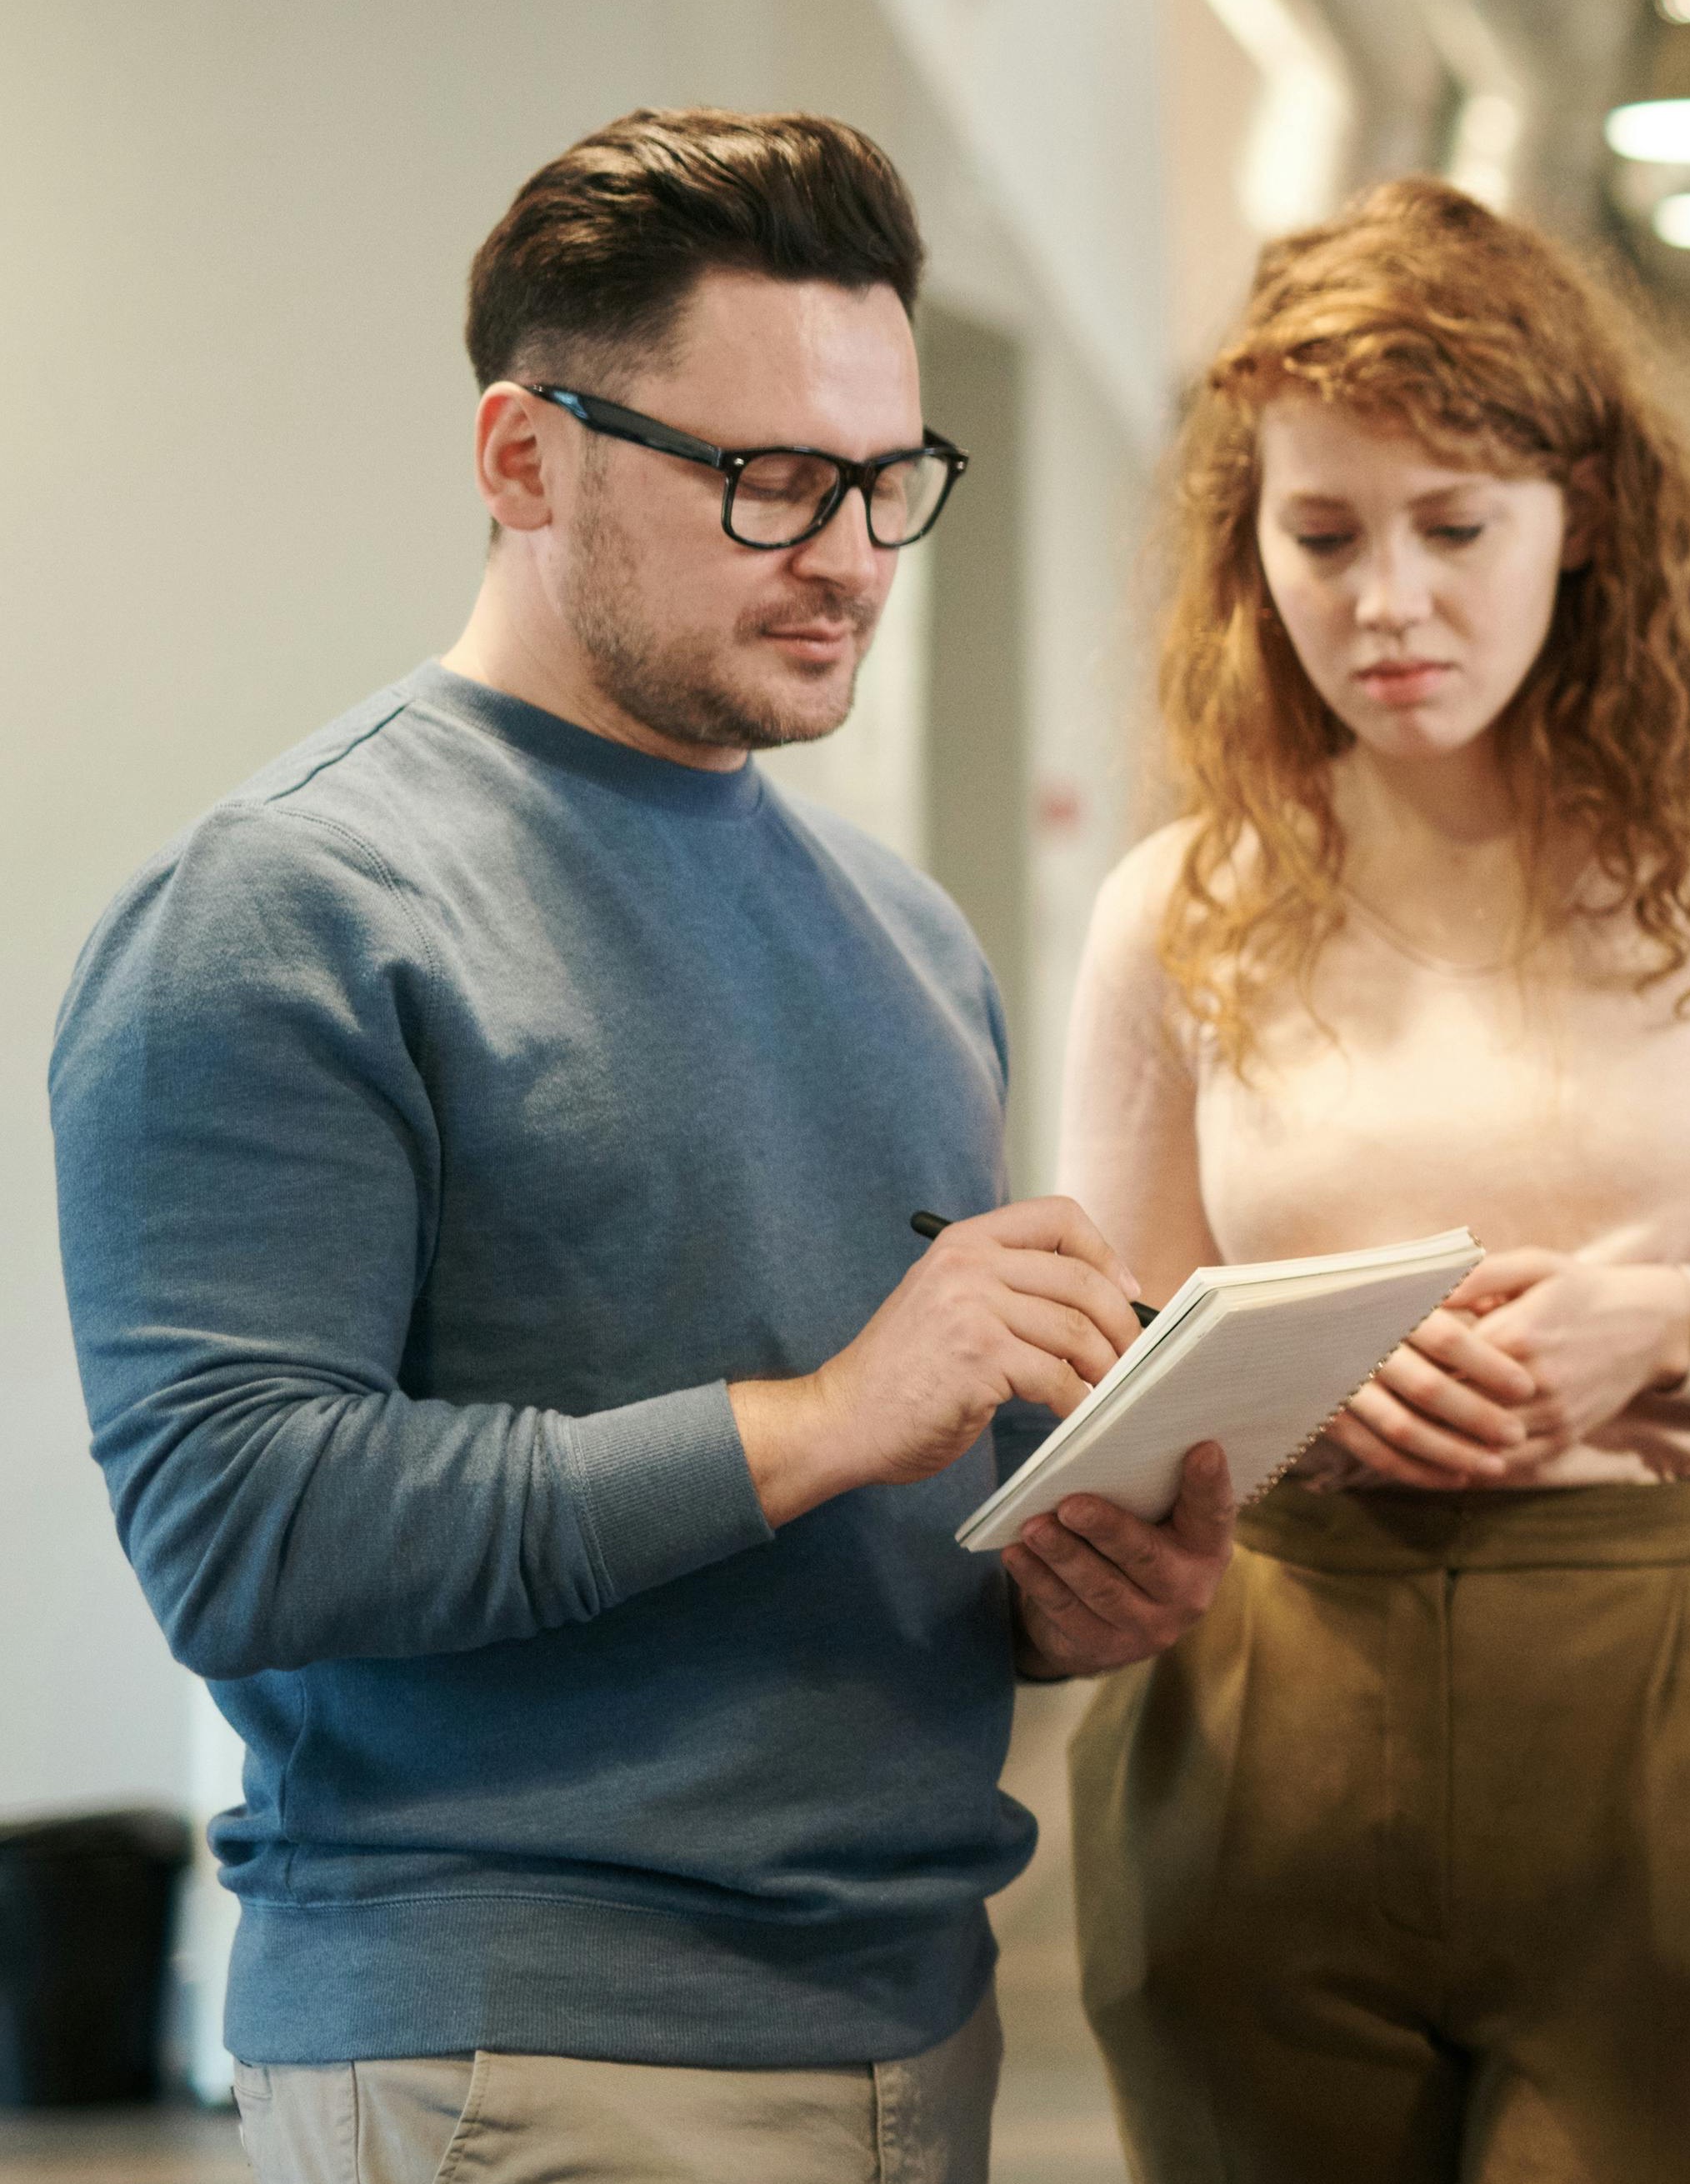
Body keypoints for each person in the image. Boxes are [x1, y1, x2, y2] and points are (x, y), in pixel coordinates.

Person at [52, 109, 1228, 2182]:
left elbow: (837, 1520)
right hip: (523, 2049)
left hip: (911, 2019)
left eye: (888, 480)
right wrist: (837, 1410)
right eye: (772, 479)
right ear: (525, 458)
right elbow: (238, 1527)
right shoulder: (288, 908)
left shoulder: (907, 938)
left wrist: (1059, 1594)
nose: (852, 550)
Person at [1056, 180, 1690, 2182]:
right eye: (1324, 534)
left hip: (1670, 1690)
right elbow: (1107, 1376)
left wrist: (1679, 1327)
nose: (1389, 601)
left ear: (1586, 513)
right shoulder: (1179, 905)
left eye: (1456, 527)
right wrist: (1280, 1389)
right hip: (1263, 1702)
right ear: (1249, 549)